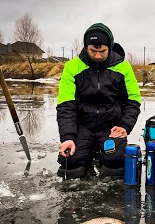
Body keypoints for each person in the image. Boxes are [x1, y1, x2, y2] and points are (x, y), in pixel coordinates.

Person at [56, 22, 141, 179]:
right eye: (92, 51)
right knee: (71, 164)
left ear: (110, 46)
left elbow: (133, 101)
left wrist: (124, 127)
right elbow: (65, 105)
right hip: (83, 126)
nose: (97, 56)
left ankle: (102, 159)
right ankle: (87, 159)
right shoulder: (72, 67)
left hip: (110, 127)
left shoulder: (124, 67)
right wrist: (67, 137)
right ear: (86, 47)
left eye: (102, 51)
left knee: (115, 164)